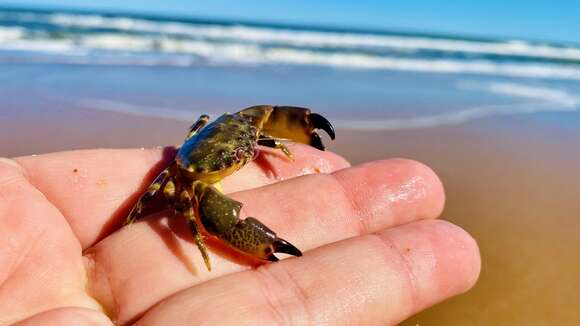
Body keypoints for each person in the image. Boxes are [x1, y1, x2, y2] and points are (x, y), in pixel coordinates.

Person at [0, 144, 480, 325]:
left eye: (245, 153)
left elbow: (251, 121)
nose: (241, 161)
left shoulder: (234, 131)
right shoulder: (187, 180)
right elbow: (192, 211)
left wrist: (262, 139)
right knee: (202, 215)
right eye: (233, 161)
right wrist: (206, 235)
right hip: (191, 175)